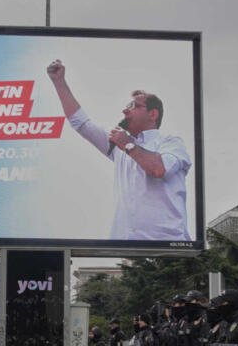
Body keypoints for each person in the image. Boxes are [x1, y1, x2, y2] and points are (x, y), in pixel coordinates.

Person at [45, 59, 192, 241]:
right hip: (124, 247)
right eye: (126, 106)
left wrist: (128, 145)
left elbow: (158, 169)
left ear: (153, 114)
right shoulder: (119, 146)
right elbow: (81, 123)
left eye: (133, 106)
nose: (125, 111)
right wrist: (59, 82)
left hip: (167, 248)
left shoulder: (170, 142)